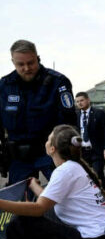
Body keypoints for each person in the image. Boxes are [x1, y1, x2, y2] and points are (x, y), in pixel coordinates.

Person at [0, 125, 105, 239]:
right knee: (33, 217)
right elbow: (50, 199)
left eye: (48, 139)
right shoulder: (73, 167)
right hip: (101, 238)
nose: (46, 141)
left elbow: (39, 208)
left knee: (22, 222)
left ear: (52, 148)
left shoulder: (64, 171)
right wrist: (34, 186)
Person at [0, 40, 77, 185]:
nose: (26, 68)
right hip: (18, 157)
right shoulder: (5, 85)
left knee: (66, 194)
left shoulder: (58, 82)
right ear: (13, 62)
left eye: (31, 63)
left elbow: (69, 123)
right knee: (20, 201)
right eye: (20, 65)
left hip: (51, 152)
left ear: (38, 58)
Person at [75, 92, 105, 190]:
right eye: (77, 101)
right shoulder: (76, 115)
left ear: (88, 100)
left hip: (97, 151)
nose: (80, 103)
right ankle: (97, 196)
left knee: (97, 173)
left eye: (82, 100)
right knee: (85, 176)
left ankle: (103, 198)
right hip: (82, 152)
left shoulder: (99, 113)